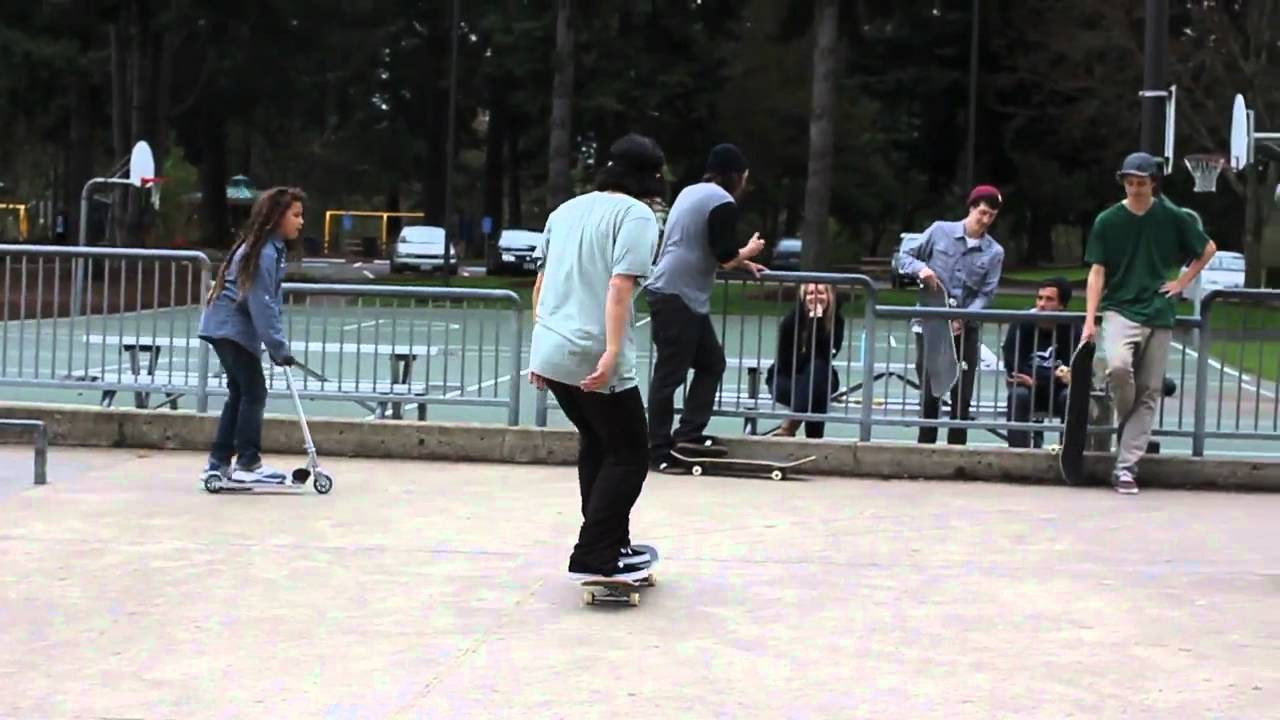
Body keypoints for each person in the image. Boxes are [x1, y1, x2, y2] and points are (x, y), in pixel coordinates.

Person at [527, 133, 664, 579]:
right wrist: (611, 351)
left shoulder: (565, 210)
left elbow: (541, 284)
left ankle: (611, 544)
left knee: (599, 445)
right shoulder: (636, 215)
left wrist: (540, 346)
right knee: (629, 453)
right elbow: (620, 285)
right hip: (593, 349)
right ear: (650, 176)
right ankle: (595, 552)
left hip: (553, 348)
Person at [1083, 151, 1216, 494]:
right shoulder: (1108, 220)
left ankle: (1126, 467)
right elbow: (1096, 272)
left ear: (1152, 183)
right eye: (1129, 182)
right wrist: (1089, 319)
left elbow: (1208, 249)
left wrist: (1181, 283)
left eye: (1141, 183)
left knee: (1149, 391)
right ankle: (1126, 425)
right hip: (1120, 307)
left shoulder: (1170, 216)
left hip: (1158, 310)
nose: (1135, 188)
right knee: (1118, 368)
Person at [644, 143, 767, 470]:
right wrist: (748, 252)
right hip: (677, 295)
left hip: (675, 292)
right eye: (744, 177)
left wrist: (742, 263)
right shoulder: (722, 201)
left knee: (711, 363)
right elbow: (725, 256)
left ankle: (688, 435)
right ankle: (657, 450)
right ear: (736, 176)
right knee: (669, 375)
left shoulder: (690, 192)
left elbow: (701, 244)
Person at [197, 187, 302, 485]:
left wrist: (272, 343)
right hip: (231, 329)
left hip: (227, 328)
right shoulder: (263, 253)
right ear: (276, 217)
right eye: (295, 215)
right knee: (254, 391)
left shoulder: (269, 249)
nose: (300, 222)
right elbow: (261, 303)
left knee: (241, 392)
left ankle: (218, 462)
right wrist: (277, 346)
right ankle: (247, 462)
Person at [898, 185, 1006, 445]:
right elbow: (905, 255)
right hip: (932, 324)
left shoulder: (994, 252)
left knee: (962, 392)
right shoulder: (939, 231)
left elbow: (986, 293)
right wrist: (921, 269)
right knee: (930, 388)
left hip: (965, 329)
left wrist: (964, 317)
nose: (985, 220)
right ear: (971, 208)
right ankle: (925, 447)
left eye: (991, 215)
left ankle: (957, 449)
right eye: (982, 212)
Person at [1002, 277, 1081, 448]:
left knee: (1071, 396)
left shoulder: (1072, 328)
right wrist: (1052, 376)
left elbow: (1071, 370)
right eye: (1039, 298)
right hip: (1028, 389)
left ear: (1062, 306)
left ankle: (1068, 454)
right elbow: (1013, 363)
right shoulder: (1022, 323)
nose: (1042, 304)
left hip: (1057, 392)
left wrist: (1037, 379)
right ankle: (1017, 456)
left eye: (1049, 299)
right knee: (1018, 395)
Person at [766, 283, 845, 439]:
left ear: (830, 296)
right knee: (816, 390)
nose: (815, 298)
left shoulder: (836, 321)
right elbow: (787, 363)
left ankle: (790, 426)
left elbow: (826, 356)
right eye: (810, 294)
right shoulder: (791, 322)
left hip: (819, 375)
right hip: (786, 379)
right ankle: (814, 441)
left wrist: (817, 324)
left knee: (817, 371)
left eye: (820, 293)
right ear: (803, 298)